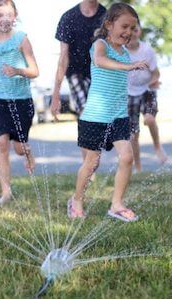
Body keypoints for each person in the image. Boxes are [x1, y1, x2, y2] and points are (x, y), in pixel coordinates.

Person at [67, 2, 148, 222]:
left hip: (119, 116)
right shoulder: (100, 44)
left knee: (127, 157)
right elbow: (100, 61)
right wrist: (128, 67)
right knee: (92, 164)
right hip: (95, 117)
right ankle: (76, 200)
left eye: (132, 28)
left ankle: (116, 204)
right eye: (124, 26)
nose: (128, 32)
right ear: (109, 24)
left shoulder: (125, 52)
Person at [0, 0, 39, 205]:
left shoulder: (22, 39)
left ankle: (27, 152)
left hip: (22, 100)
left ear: (15, 16)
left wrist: (18, 71)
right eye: (0, 15)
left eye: (8, 15)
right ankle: (6, 192)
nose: (4, 19)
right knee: (1, 143)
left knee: (19, 148)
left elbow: (35, 71)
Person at [50, 0, 106, 172]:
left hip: (101, 72)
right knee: (85, 112)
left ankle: (91, 159)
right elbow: (63, 58)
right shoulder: (69, 18)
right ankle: (88, 166)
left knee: (98, 118)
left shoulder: (107, 16)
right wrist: (56, 93)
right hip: (76, 73)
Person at [127, 25, 167, 173]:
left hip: (147, 90)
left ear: (139, 32)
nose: (132, 34)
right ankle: (137, 166)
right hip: (129, 94)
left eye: (135, 30)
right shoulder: (122, 52)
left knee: (149, 119)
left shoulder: (146, 50)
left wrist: (153, 81)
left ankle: (157, 147)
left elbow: (156, 73)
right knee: (133, 134)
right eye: (129, 31)